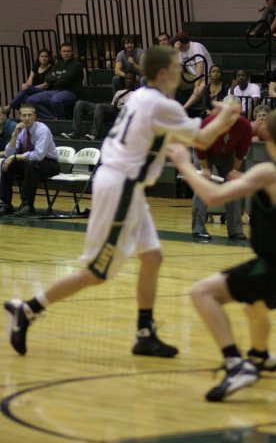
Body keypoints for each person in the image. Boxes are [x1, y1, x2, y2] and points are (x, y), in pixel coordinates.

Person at [3, 46, 240, 358]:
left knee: (152, 257)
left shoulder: (142, 96)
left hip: (126, 185)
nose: (183, 74)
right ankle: (28, 308)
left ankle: (144, 332)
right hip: (120, 187)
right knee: (97, 271)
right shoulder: (159, 104)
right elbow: (203, 140)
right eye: (175, 68)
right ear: (163, 73)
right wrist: (227, 116)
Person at [168, 108, 276, 402]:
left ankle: (235, 363)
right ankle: (259, 355)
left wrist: (184, 165)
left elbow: (212, 196)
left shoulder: (268, 172)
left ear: (265, 135)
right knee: (255, 303)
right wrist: (246, 177)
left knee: (202, 293)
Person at [192, 95, 252, 242]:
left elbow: (241, 152)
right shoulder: (209, 122)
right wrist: (205, 169)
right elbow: (200, 147)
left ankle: (236, 231)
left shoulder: (244, 125)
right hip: (205, 152)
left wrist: (234, 171)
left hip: (227, 154)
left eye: (236, 111)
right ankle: (198, 229)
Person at [0, 103, 59, 217]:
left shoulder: (43, 130)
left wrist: (14, 157)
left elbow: (38, 155)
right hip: (30, 162)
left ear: (34, 116)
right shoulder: (20, 129)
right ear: (20, 116)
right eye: (24, 115)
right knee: (6, 163)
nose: (27, 118)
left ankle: (27, 205)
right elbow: (9, 153)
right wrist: (15, 135)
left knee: (31, 164)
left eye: (29, 115)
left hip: (50, 164)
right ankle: (6, 203)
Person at [61, 71, 137, 141]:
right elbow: (112, 105)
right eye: (127, 79)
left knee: (100, 106)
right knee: (80, 103)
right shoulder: (119, 92)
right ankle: (75, 132)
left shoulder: (137, 94)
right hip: (110, 110)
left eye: (131, 79)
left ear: (135, 80)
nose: (129, 80)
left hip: (118, 114)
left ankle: (94, 134)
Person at [30, 43, 84, 120]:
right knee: (31, 100)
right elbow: (48, 77)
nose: (66, 53)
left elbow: (64, 81)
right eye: (64, 51)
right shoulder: (59, 63)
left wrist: (55, 78)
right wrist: (58, 78)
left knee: (55, 100)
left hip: (71, 92)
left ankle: (61, 121)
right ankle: (51, 118)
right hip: (55, 90)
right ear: (60, 52)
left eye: (68, 51)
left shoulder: (76, 65)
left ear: (72, 52)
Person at [171, 31, 213, 112]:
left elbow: (200, 66)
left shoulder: (196, 46)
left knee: (201, 87)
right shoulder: (179, 51)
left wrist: (196, 85)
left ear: (181, 44)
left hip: (206, 75)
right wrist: (175, 51)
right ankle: (171, 106)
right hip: (191, 76)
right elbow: (175, 68)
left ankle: (182, 109)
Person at [7, 48, 54, 113]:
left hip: (45, 90)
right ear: (38, 57)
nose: (44, 58)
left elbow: (45, 85)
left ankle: (10, 106)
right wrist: (26, 85)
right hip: (34, 90)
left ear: (49, 58)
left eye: (46, 56)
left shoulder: (52, 67)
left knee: (26, 90)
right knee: (24, 97)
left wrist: (30, 88)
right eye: (42, 56)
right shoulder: (36, 66)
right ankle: (29, 115)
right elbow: (29, 81)